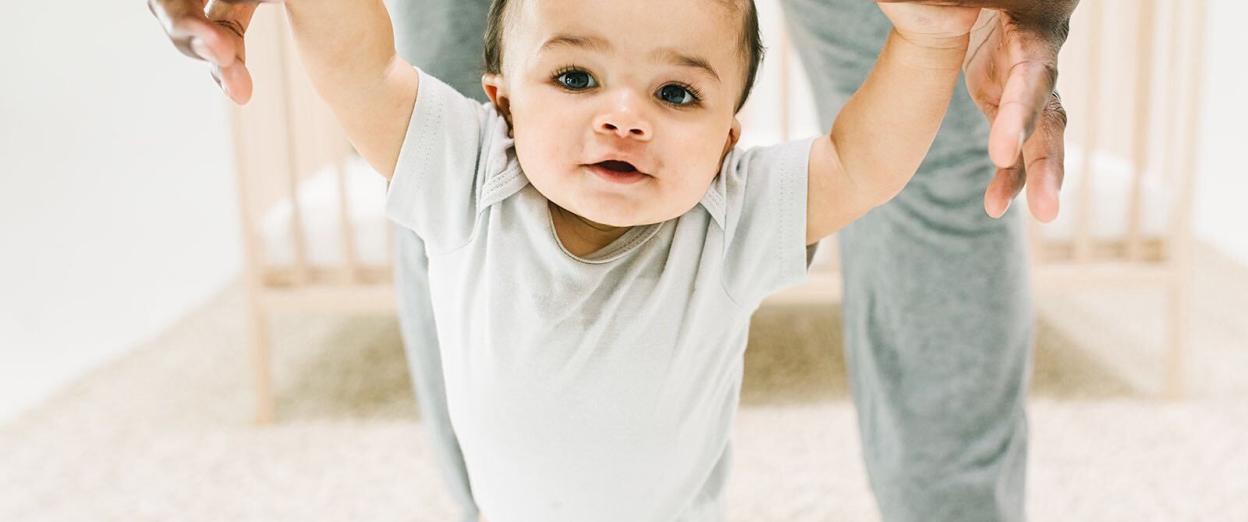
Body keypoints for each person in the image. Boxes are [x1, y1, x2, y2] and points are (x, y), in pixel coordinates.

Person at [148, 0, 1077, 521]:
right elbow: (360, 65)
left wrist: (922, 38)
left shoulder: (729, 218)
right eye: (576, 77)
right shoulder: (468, 175)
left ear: (727, 140)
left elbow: (864, 162)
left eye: (677, 92)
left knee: (952, 166)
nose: (623, 115)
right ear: (499, 99)